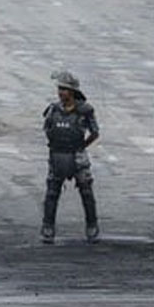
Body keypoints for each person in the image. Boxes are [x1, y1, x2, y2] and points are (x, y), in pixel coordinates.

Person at [41, 71, 100, 244]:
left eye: (65, 89)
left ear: (72, 92)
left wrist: (81, 146)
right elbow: (47, 129)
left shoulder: (84, 111)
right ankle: (48, 226)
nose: (61, 93)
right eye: (60, 89)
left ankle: (92, 225)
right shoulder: (53, 109)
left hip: (77, 155)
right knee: (52, 191)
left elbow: (95, 132)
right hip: (57, 154)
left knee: (86, 191)